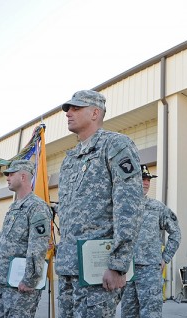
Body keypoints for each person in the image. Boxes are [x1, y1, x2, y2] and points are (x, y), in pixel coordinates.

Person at [56, 90, 144, 317]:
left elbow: (129, 207)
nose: (68, 114)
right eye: (68, 109)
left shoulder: (115, 145)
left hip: (98, 270)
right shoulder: (70, 159)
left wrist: (118, 264)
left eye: (76, 108)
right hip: (68, 267)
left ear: (95, 112)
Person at [0, 160, 51, 318]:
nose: (7, 177)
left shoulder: (36, 206)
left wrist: (30, 279)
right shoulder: (14, 206)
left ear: (23, 176)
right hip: (6, 279)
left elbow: (38, 246)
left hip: (22, 283)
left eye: (11, 174)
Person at [121, 164, 181, 318]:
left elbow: (176, 233)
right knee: (127, 314)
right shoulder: (122, 208)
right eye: (142, 178)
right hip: (127, 271)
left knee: (151, 315)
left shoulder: (157, 208)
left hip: (149, 271)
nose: (146, 182)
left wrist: (165, 257)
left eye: (148, 179)